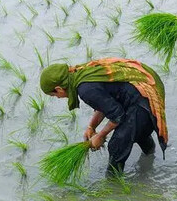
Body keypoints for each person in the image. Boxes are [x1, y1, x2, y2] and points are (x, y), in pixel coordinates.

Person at [39, 58, 168, 174]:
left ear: (59, 89)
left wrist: (100, 136)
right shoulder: (80, 73)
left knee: (117, 144)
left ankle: (113, 186)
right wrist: (91, 126)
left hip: (143, 100)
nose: (57, 98)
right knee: (136, 131)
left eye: (54, 95)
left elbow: (117, 115)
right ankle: (149, 159)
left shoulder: (85, 90)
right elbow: (105, 105)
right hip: (140, 94)